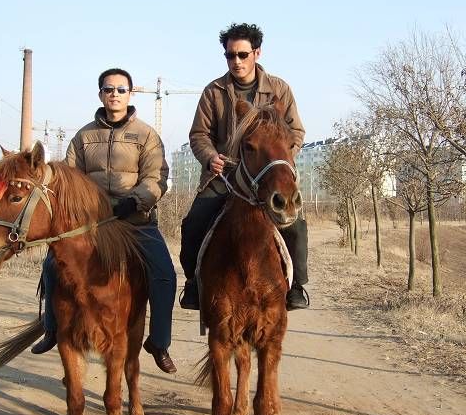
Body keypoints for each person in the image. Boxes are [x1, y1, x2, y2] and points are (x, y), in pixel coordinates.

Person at [31, 68, 178, 374]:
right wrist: (88, 209)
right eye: (108, 89)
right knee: (50, 266)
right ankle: (52, 328)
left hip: (134, 221)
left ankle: (160, 341)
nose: (114, 94)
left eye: (120, 90)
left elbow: (157, 177)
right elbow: (66, 178)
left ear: (130, 94)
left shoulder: (146, 135)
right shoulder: (84, 137)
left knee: (164, 273)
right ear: (100, 94)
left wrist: (135, 201)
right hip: (90, 224)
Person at [179, 22, 310, 311]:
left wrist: (282, 160)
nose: (236, 61)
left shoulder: (280, 89)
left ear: (257, 53)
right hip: (224, 175)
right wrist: (210, 157)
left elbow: (296, 132)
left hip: (264, 175)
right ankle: (193, 284)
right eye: (230, 55)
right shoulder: (213, 91)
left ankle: (297, 286)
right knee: (193, 224)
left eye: (242, 54)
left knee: (295, 223)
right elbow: (199, 134)